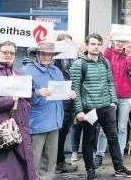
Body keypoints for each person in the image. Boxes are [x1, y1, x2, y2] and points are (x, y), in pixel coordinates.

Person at [71, 33, 131, 179]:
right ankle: (90, 170)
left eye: (98, 44)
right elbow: (74, 88)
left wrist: (113, 102)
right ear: (87, 45)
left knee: (113, 138)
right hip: (89, 109)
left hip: (106, 107)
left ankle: (119, 168)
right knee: (88, 139)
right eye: (93, 44)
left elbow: (110, 83)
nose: (96, 47)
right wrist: (78, 110)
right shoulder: (79, 64)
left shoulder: (105, 62)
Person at [0, 41, 37, 180]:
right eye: (5, 52)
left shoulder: (19, 73)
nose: (8, 55)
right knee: (1, 169)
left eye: (12, 53)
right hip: (1, 128)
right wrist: (9, 100)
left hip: (20, 126)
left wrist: (28, 90)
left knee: (21, 167)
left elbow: (28, 95)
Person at [22, 41, 77, 180]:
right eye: (43, 54)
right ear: (37, 54)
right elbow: (20, 95)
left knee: (50, 159)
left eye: (50, 55)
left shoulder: (56, 71)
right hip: (37, 122)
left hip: (55, 120)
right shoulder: (26, 71)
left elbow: (62, 90)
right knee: (33, 158)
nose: (47, 57)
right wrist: (37, 92)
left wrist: (70, 93)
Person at [93, 35, 131, 167]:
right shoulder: (110, 54)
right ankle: (100, 154)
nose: (121, 44)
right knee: (105, 127)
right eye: (119, 41)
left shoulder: (128, 56)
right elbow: (104, 60)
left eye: (123, 41)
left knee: (122, 127)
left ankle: (119, 156)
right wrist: (109, 44)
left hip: (125, 95)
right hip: (110, 95)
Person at [52, 34, 80, 174]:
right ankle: (57, 162)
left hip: (68, 100)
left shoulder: (72, 59)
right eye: (64, 43)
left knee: (63, 132)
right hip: (57, 101)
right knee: (57, 132)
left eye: (70, 43)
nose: (67, 46)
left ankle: (59, 161)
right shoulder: (54, 59)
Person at [70, 41, 88, 163]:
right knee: (76, 127)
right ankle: (74, 151)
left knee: (90, 127)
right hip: (77, 99)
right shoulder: (74, 63)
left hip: (89, 100)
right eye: (81, 50)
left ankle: (88, 150)